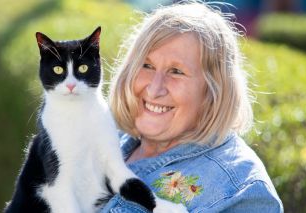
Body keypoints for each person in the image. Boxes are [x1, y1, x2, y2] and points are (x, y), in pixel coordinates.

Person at [101, 1, 283, 212]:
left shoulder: (244, 193)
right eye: (147, 66)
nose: (154, 89)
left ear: (214, 91)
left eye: (176, 72)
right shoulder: (108, 137)